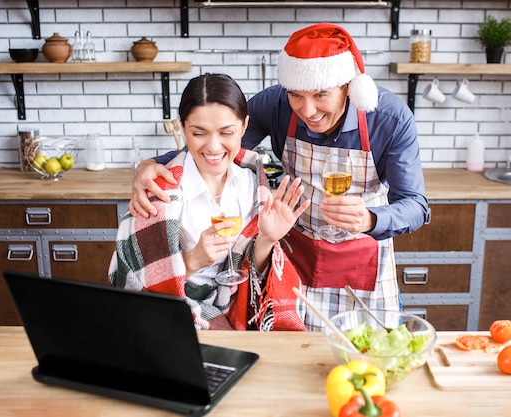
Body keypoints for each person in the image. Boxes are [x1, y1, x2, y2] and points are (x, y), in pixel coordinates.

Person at [129, 23, 429, 331]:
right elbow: (219, 146)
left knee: (374, 353)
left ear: (348, 86)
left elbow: (416, 205)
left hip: (363, 260)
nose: (307, 110)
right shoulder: (276, 104)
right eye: (297, 95)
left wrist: (370, 219)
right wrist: (152, 163)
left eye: (321, 95)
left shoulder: (389, 118)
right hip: (297, 260)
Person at [108, 73, 311, 331]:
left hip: (240, 319)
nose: (214, 147)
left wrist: (267, 240)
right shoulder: (159, 194)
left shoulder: (251, 184)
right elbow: (132, 289)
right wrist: (193, 260)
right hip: (178, 319)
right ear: (182, 127)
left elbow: (255, 280)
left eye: (226, 132)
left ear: (244, 126)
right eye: (199, 133)